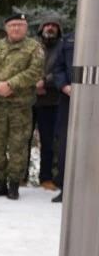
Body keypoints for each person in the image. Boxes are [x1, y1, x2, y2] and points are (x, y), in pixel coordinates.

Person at [0, 12, 44, 200]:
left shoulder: (34, 48)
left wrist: (12, 84)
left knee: (18, 145)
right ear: (6, 28)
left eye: (20, 25)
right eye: (12, 25)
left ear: (26, 27)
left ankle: (14, 184)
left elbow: (35, 71)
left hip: (20, 106)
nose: (16, 28)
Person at [33, 15, 65, 190]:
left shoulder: (62, 47)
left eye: (54, 25)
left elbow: (63, 69)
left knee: (48, 141)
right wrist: (34, 84)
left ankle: (45, 177)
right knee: (23, 139)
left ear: (59, 29)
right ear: (41, 28)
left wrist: (45, 82)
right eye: (47, 25)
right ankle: (21, 177)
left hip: (51, 100)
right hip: (29, 100)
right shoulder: (32, 45)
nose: (50, 28)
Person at [51, 28, 74, 203]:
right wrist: (64, 86)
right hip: (69, 99)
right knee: (67, 143)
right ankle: (66, 188)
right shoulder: (69, 40)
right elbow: (57, 67)